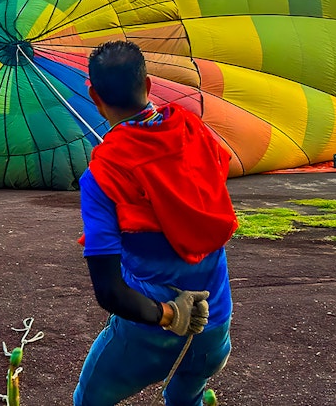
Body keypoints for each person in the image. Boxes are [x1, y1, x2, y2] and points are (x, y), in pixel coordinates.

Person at [74, 40, 239, 406]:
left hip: (152, 332)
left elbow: (110, 291)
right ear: (148, 85)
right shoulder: (194, 131)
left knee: (89, 400)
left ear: (93, 95)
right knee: (186, 397)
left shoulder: (103, 174)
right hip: (215, 324)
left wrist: (168, 315)